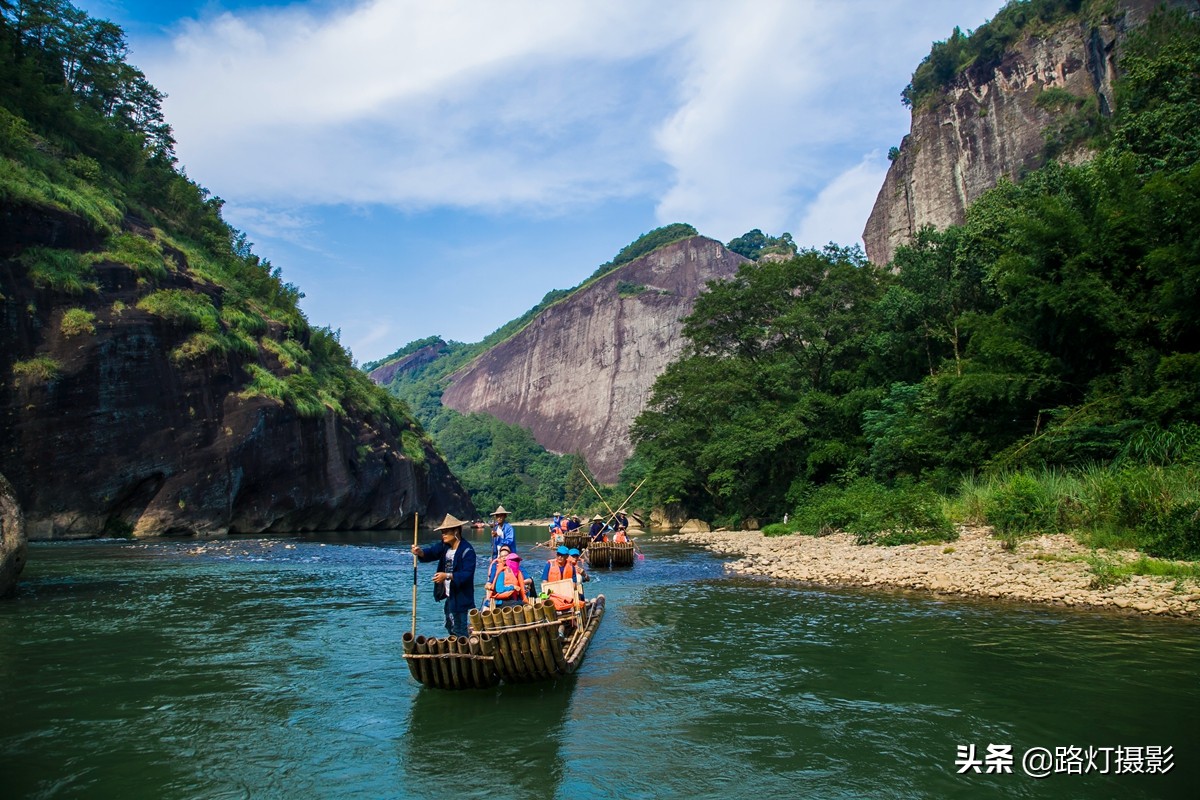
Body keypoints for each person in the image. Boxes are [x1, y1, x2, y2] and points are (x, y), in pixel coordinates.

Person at [411, 513, 476, 637]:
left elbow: (466, 574)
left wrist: (446, 576)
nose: (443, 535)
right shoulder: (445, 546)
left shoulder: (467, 551)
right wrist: (420, 552)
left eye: (446, 532)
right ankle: (457, 646)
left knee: (459, 627)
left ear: (456, 531)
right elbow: (431, 552)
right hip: (449, 594)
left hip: (461, 595)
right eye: (442, 532)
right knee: (449, 624)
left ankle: (464, 650)